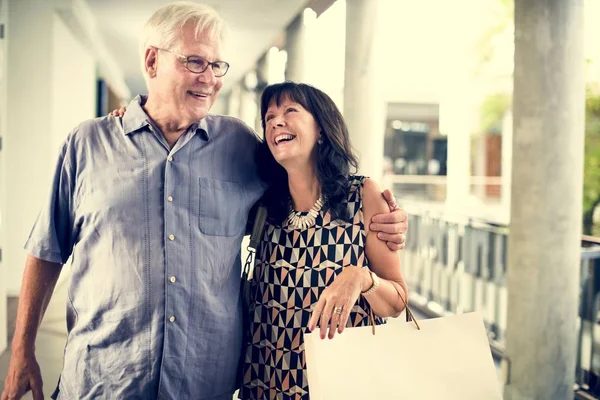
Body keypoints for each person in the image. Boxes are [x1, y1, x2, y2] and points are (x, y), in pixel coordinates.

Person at [1, 3, 408, 400]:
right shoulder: (89, 144)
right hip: (104, 379)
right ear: (151, 62)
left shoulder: (239, 147)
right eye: (195, 62)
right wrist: (22, 349)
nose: (210, 78)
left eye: (217, 66)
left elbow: (307, 189)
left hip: (205, 382)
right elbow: (47, 249)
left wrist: (388, 221)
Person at [238, 82, 408, 399]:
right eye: (269, 116)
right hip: (266, 382)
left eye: (290, 111)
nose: (276, 121)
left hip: (341, 385)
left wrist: (360, 277)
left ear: (321, 129)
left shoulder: (363, 195)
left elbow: (397, 301)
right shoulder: (263, 207)